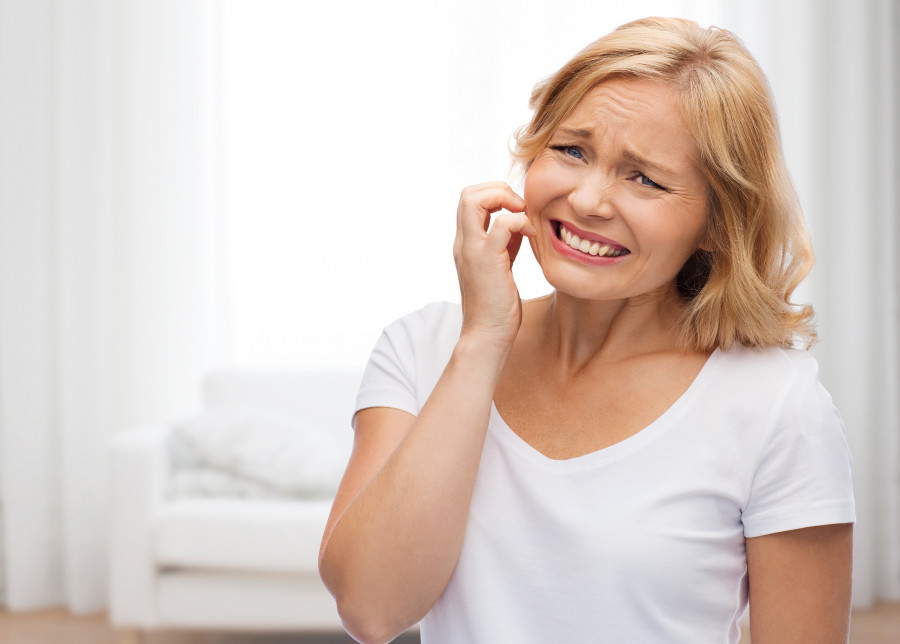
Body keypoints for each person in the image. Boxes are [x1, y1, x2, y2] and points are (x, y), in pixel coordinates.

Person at [318, 16, 855, 644]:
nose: (589, 199)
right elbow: (371, 608)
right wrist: (484, 339)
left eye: (644, 178)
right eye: (572, 151)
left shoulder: (775, 404)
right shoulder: (423, 349)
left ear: (717, 223)